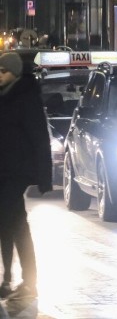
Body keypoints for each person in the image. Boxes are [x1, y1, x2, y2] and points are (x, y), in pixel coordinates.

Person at [0, 52, 52, 305]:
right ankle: (21, 281)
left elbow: (40, 137)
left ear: (14, 72)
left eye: (3, 71)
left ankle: (16, 280)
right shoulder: (4, 95)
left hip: (16, 172)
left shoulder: (25, 97)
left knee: (10, 222)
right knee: (16, 225)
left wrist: (45, 177)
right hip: (3, 171)